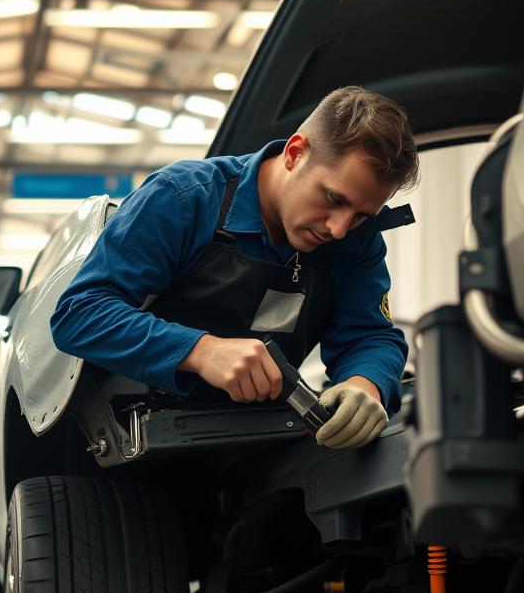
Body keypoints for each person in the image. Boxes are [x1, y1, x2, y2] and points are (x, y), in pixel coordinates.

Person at [51, 86, 419, 450]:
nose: (338, 228)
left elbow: (370, 335)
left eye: (359, 215)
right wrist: (202, 351)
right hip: (134, 445)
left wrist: (365, 384)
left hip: (264, 445)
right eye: (333, 198)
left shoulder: (357, 241)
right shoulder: (182, 198)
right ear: (295, 153)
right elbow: (80, 314)